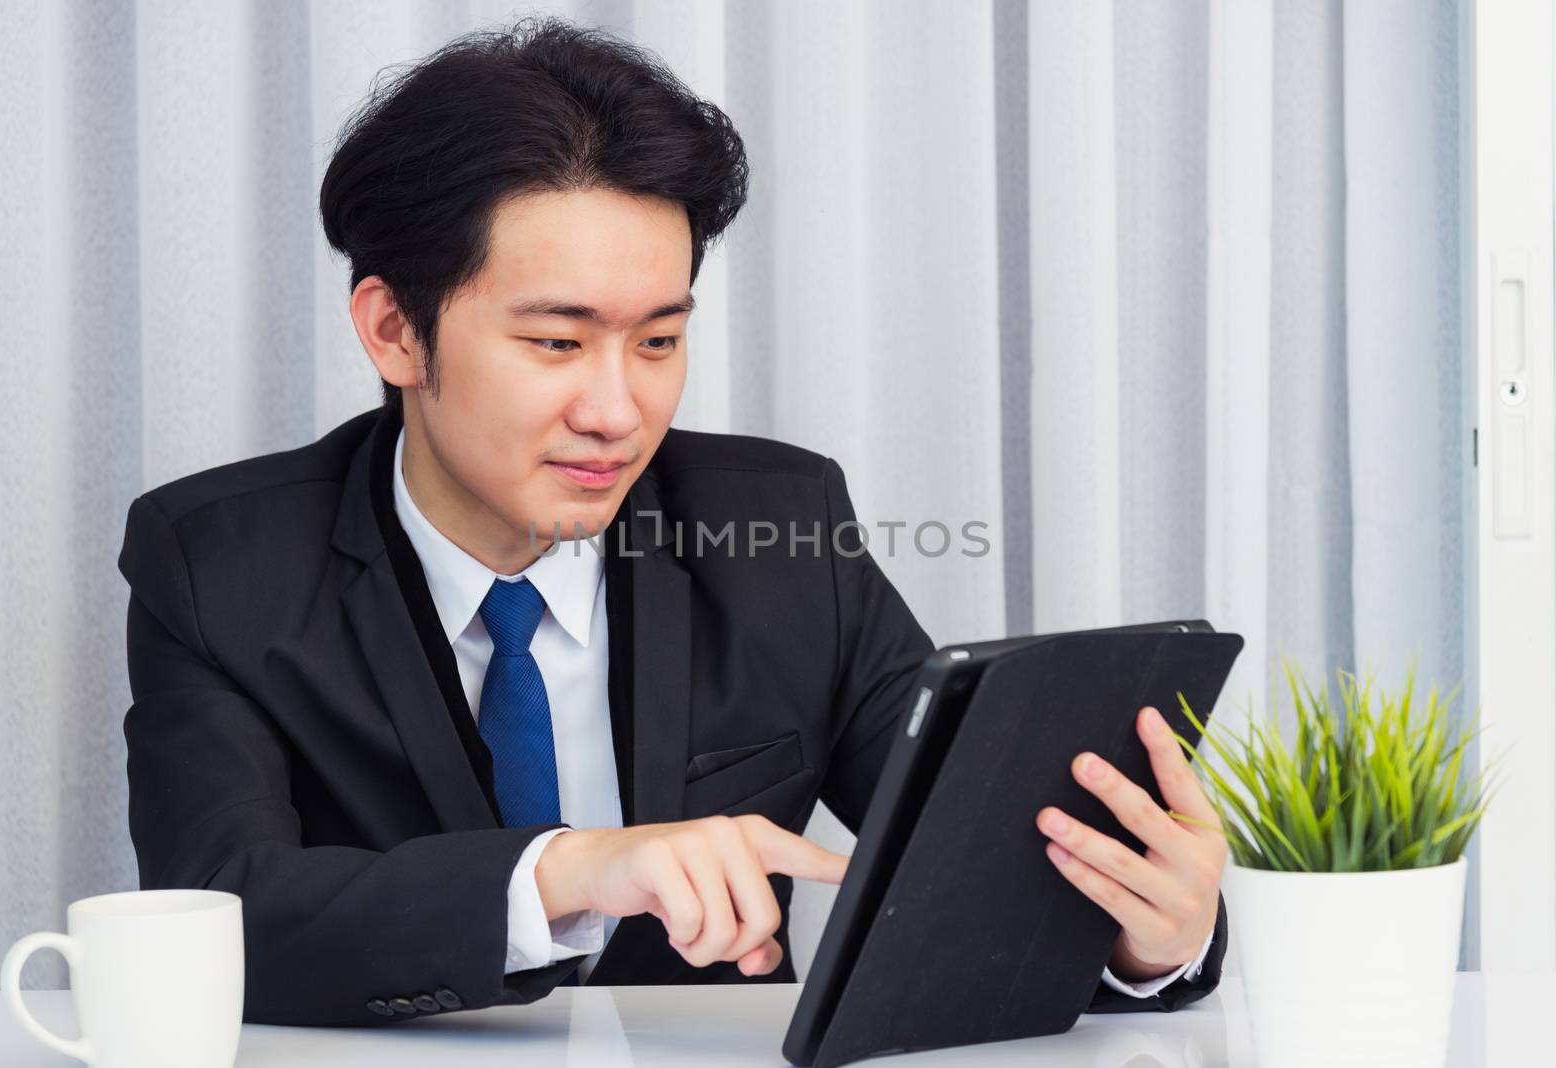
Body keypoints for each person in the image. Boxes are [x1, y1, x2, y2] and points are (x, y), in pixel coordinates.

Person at [118, 15, 1227, 1027]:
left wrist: (1144, 938)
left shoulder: (782, 528)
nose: (617, 410)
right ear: (394, 329)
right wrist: (573, 870)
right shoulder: (217, 562)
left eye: (657, 341)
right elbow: (213, 914)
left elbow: (970, 869)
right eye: (556, 343)